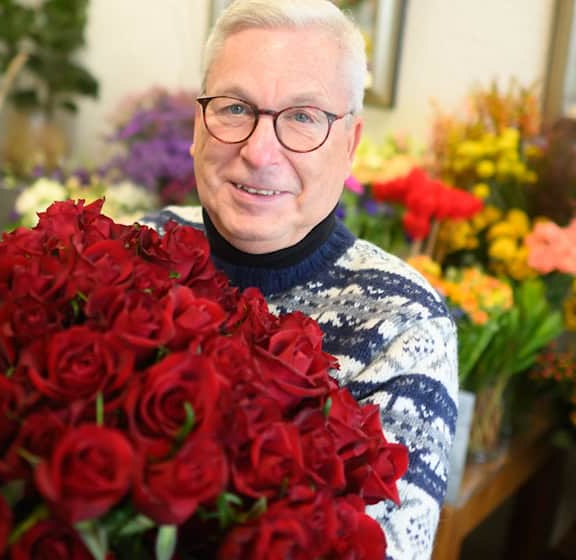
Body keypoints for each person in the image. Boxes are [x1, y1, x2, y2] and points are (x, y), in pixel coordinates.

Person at [139, 1, 458, 558]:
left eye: (304, 117)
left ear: (351, 145)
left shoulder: (405, 324)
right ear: (198, 125)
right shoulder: (131, 250)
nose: (260, 152)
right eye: (235, 108)